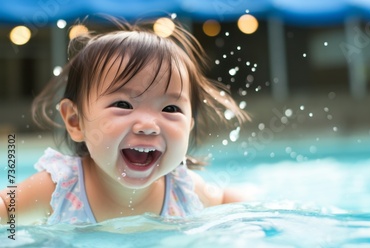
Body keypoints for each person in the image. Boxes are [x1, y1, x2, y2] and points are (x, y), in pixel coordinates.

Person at [0, 17, 250, 225]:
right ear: (75, 121)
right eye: (123, 105)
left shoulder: (183, 191)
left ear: (189, 126)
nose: (149, 125)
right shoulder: (60, 189)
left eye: (171, 108)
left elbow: (233, 202)